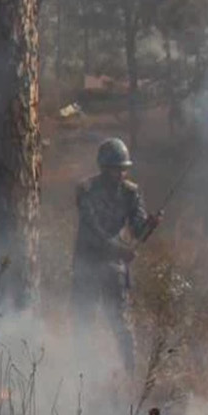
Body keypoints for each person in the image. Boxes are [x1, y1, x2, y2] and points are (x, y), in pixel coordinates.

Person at [72, 137, 160, 374]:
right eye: (114, 169)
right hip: (87, 262)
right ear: (103, 167)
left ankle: (130, 375)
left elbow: (137, 229)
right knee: (83, 320)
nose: (119, 174)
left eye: (122, 169)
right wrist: (118, 250)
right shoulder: (86, 190)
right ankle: (79, 371)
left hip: (113, 266)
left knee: (120, 322)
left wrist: (149, 225)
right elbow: (92, 230)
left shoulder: (131, 193)